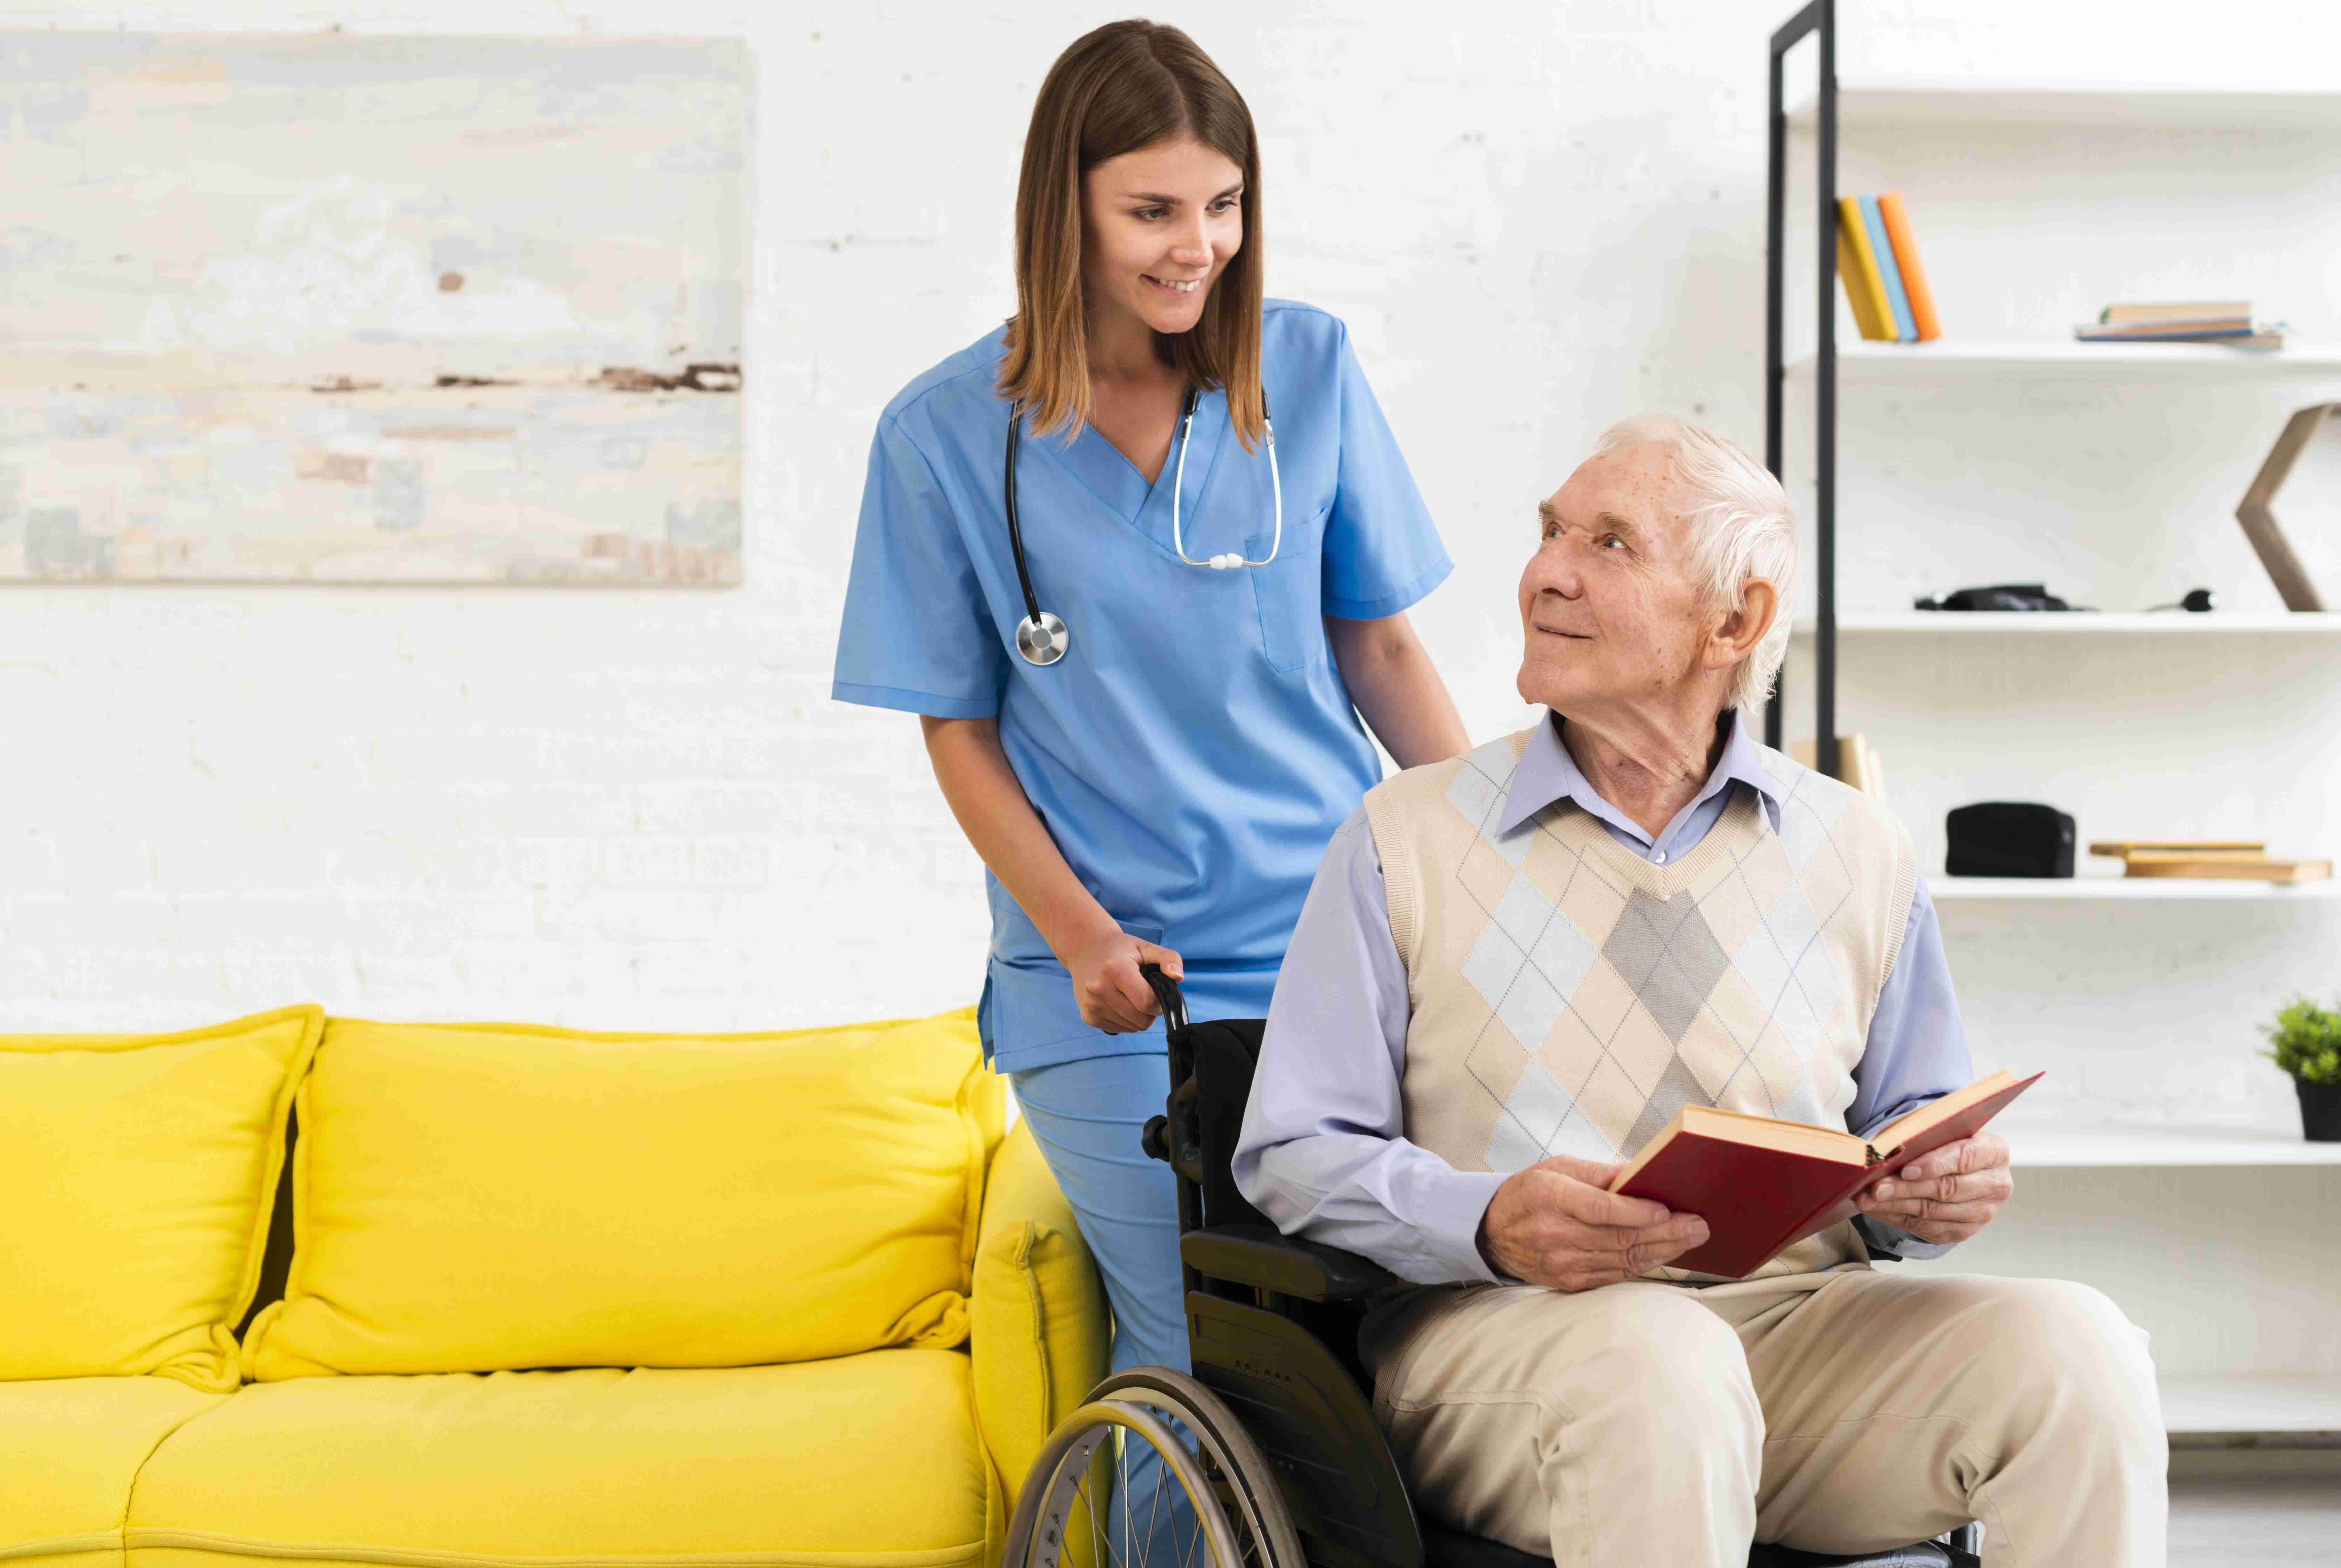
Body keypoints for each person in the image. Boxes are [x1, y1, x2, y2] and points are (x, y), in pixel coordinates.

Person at [1234, 414, 2165, 1567]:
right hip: (1505, 1347)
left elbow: (1904, 1133)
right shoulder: (1400, 839)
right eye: (1551, 533)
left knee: (2081, 1348)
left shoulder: (1856, 846)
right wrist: (1487, 1220)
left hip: (1794, 1335)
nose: (1548, 572)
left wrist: (1932, 1191)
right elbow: (1293, 1152)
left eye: (1611, 544)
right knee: (1659, 1366)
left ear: (1738, 621)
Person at [830, 16, 1469, 1536]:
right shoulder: (940, 438)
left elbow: (1378, 649)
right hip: (1117, 984)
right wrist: (1076, 935)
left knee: (1351, 1354)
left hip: (1337, 959)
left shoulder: (1300, 371)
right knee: (1208, 1360)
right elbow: (960, 731)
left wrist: (1507, 864)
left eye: (1224, 204)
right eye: (1154, 210)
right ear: (1066, 209)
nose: (1200, 248)